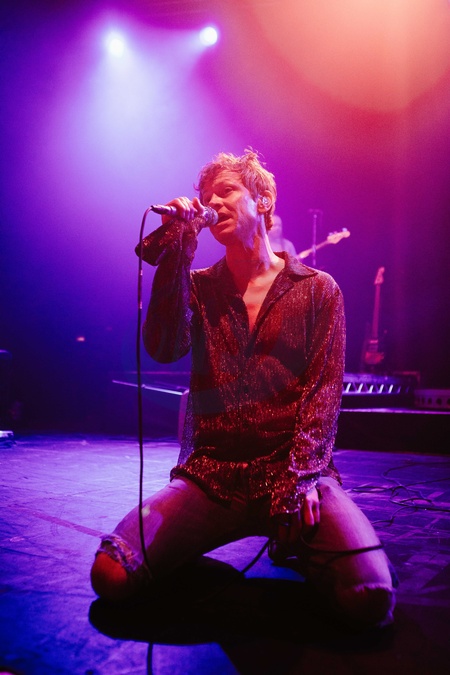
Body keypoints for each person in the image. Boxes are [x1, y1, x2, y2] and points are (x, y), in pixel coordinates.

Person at [90, 149, 396, 628]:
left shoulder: (317, 289)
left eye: (226, 191)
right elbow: (164, 348)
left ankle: (292, 542)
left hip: (292, 471)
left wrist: (303, 478)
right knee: (111, 574)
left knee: (369, 598)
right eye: (205, 196)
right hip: (212, 475)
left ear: (263, 200)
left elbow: (323, 391)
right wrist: (177, 252)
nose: (212, 202)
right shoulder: (198, 286)